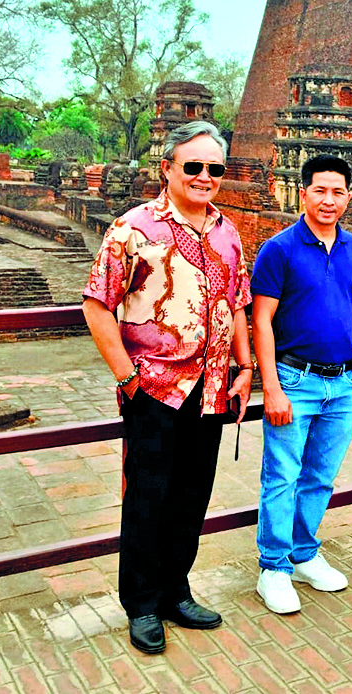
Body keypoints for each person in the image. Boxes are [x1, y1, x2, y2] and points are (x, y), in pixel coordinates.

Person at [83, 120, 253, 654]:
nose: (205, 176)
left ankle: (176, 590)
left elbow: (238, 303)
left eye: (214, 168)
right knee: (148, 497)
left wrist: (244, 367)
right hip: (155, 389)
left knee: (191, 495)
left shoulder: (227, 232)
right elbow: (97, 305)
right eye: (193, 166)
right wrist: (127, 377)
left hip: (212, 389)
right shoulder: (134, 229)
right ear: (168, 168)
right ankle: (141, 603)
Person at [250, 155, 352, 614]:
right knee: (282, 476)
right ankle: (273, 567)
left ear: (348, 197)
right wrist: (271, 387)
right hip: (294, 379)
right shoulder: (279, 249)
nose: (328, 200)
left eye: (338, 192)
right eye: (320, 190)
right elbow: (261, 320)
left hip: (342, 382)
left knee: (320, 477)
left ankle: (303, 553)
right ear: (303, 193)